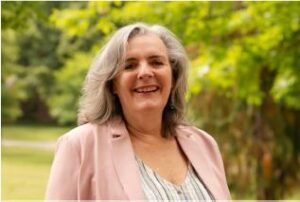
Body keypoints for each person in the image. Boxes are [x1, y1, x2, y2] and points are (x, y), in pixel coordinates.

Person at [46, 22, 231, 200]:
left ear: (174, 77)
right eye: (130, 65)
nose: (145, 73)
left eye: (156, 62)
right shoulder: (79, 146)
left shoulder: (204, 144)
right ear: (112, 84)